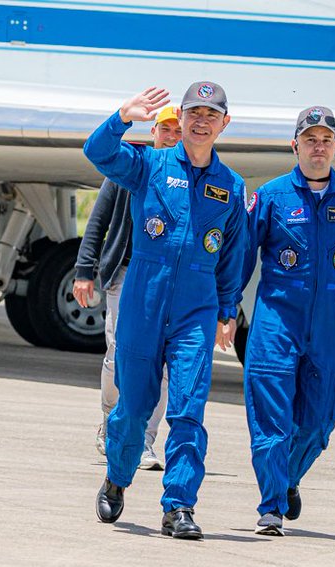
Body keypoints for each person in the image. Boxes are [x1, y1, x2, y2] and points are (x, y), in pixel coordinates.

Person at [85, 83, 247, 540]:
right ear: (183, 117)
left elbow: (232, 255)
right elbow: (96, 152)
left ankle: (179, 505)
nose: (200, 121)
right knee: (134, 408)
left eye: (210, 115)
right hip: (143, 301)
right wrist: (122, 116)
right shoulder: (150, 165)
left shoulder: (230, 186)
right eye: (193, 112)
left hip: (196, 310)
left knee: (188, 411)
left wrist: (227, 310)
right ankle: (117, 477)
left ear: (223, 124)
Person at [239, 106, 335, 536]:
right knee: (271, 419)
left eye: (326, 140)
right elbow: (241, 256)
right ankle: (270, 507)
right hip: (276, 320)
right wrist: (227, 307)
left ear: (334, 146)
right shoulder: (270, 196)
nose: (318, 147)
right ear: (295, 145)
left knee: (320, 421)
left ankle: (286, 479)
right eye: (310, 140)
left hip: (327, 323)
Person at [74, 105, 182, 471]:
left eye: (178, 132)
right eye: (166, 130)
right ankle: (110, 423)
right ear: (154, 131)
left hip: (167, 283)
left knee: (161, 365)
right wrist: (83, 270)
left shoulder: (193, 178)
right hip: (124, 273)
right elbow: (98, 221)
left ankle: (145, 441)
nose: (172, 137)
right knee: (118, 354)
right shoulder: (130, 167)